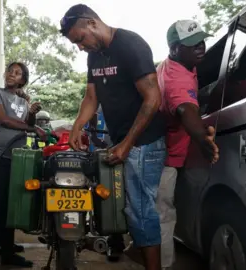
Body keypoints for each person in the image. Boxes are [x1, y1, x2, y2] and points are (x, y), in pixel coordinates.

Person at [60, 4, 167, 270]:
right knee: (122, 207)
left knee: (141, 212)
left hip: (144, 143)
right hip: (120, 140)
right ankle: (136, 250)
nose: (80, 47)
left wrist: (127, 144)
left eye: (80, 39)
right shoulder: (94, 56)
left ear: (92, 23)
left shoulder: (130, 45)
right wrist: (77, 125)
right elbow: (91, 97)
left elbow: (153, 99)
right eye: (76, 43)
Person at [156, 20, 219, 270]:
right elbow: (185, 109)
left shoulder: (175, 64)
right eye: (192, 45)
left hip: (171, 152)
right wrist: (201, 138)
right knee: (163, 212)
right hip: (168, 157)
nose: (201, 48)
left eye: (201, 41)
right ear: (174, 49)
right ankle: (163, 264)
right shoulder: (177, 79)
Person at [0, 62, 46, 269]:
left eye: (17, 73)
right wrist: (31, 129)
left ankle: (7, 253)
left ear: (22, 80)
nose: (11, 75)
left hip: (15, 157)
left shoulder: (22, 101)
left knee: (9, 207)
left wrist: (32, 112)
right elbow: (3, 120)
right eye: (10, 71)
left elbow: (29, 124)